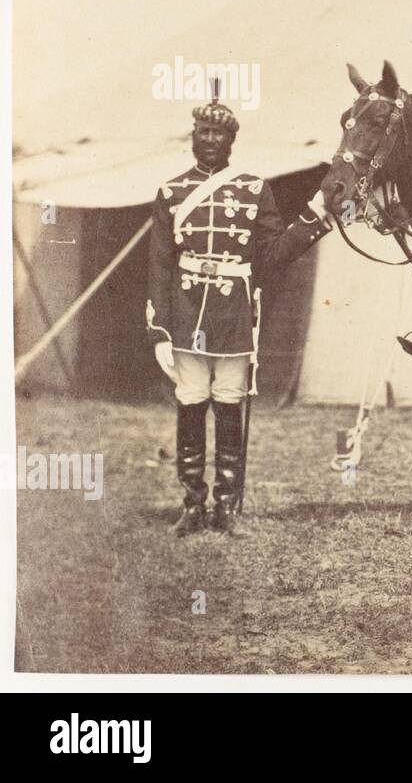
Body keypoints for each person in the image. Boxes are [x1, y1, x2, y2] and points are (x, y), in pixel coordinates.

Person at [146, 92, 332, 535]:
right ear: (194, 137)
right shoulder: (172, 192)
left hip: (231, 312)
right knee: (191, 399)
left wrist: (313, 223)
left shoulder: (253, 189)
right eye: (204, 132)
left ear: (231, 140)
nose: (210, 139)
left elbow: (270, 254)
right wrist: (158, 328)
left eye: (219, 133)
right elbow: (159, 264)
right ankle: (192, 504)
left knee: (229, 401)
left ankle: (226, 506)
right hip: (188, 311)